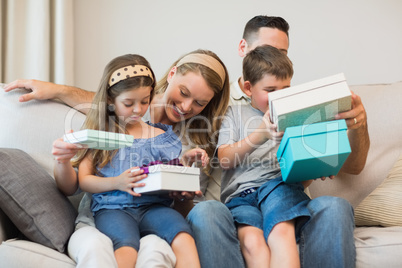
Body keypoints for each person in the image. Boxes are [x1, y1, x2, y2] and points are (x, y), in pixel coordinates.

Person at [6, 49, 246, 268]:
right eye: (184, 93)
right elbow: (78, 180)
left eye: (200, 103)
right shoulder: (109, 128)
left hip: (154, 212)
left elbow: (176, 185)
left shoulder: (174, 137)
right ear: (172, 75)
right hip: (111, 211)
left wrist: (182, 182)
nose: (185, 106)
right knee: (119, 248)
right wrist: (59, 91)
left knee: (165, 246)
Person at [72, 53, 206, 267]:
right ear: (109, 99)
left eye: (144, 102)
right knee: (127, 246)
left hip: (154, 208)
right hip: (113, 209)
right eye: (128, 103)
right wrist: (117, 182)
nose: (138, 110)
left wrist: (184, 163)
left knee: (184, 236)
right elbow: (84, 179)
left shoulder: (161, 135)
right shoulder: (100, 134)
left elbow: (167, 172)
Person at [218, 44, 313, 267]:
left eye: (285, 88)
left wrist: (315, 167)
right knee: (252, 243)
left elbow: (300, 176)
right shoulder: (233, 114)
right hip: (241, 196)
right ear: (249, 88)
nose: (278, 96)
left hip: (279, 187)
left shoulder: (296, 117)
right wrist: (260, 134)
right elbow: (223, 159)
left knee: (281, 234)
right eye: (270, 90)